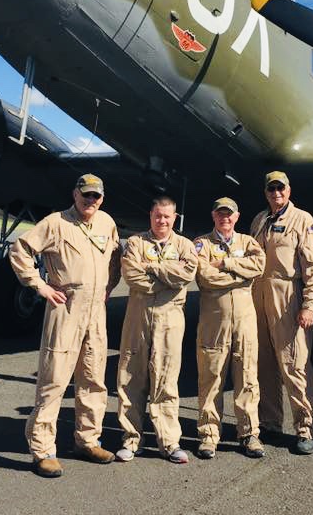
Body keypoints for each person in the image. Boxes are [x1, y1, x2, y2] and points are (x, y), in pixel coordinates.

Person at [8, 173, 121, 478]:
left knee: (94, 379)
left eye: (96, 196)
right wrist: (39, 285)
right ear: (75, 194)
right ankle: (43, 450)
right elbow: (20, 249)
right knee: (54, 378)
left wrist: (109, 286)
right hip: (65, 306)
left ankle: (87, 440)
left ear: (102, 198)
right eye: (86, 194)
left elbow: (115, 257)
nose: (90, 200)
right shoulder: (56, 222)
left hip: (96, 310)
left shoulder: (106, 222)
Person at [115, 195, 198, 464]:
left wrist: (150, 268)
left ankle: (169, 442)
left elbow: (186, 274)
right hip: (138, 319)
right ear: (150, 215)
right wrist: (165, 280)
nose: (161, 221)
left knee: (166, 380)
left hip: (170, 321)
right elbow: (131, 276)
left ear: (175, 218)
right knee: (131, 378)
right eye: (157, 216)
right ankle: (131, 440)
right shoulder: (136, 243)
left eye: (166, 216)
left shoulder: (185, 245)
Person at [249, 171, 313, 455]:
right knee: (264, 363)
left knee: (295, 364)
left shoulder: (303, 220)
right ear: (266, 192)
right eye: (271, 189)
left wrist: (309, 305)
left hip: (287, 294)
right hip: (260, 295)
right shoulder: (259, 220)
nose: (276, 193)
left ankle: (305, 428)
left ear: (289, 190)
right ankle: (270, 423)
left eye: (280, 188)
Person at [193, 197, 267, 460]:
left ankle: (249, 433)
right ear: (213, 216)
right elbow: (204, 276)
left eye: (230, 214)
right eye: (220, 214)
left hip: (245, 321)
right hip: (215, 321)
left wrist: (226, 264)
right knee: (211, 376)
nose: (225, 218)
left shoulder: (248, 242)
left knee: (247, 376)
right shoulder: (201, 244)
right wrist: (240, 275)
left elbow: (259, 266)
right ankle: (209, 435)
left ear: (236, 217)